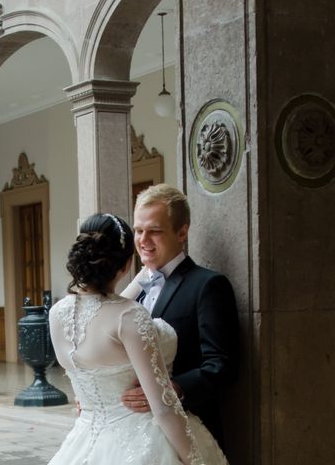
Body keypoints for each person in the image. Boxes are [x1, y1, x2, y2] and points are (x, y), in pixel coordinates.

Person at [48, 213, 227, 465]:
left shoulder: (57, 313)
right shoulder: (128, 316)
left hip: (85, 439)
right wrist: (197, 461)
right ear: (125, 264)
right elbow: (163, 409)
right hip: (143, 437)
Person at [120, 184, 239, 448]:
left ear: (182, 232)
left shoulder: (208, 286)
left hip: (187, 431)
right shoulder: (131, 293)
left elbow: (222, 366)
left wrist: (173, 389)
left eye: (155, 231)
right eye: (139, 230)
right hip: (130, 435)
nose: (143, 240)